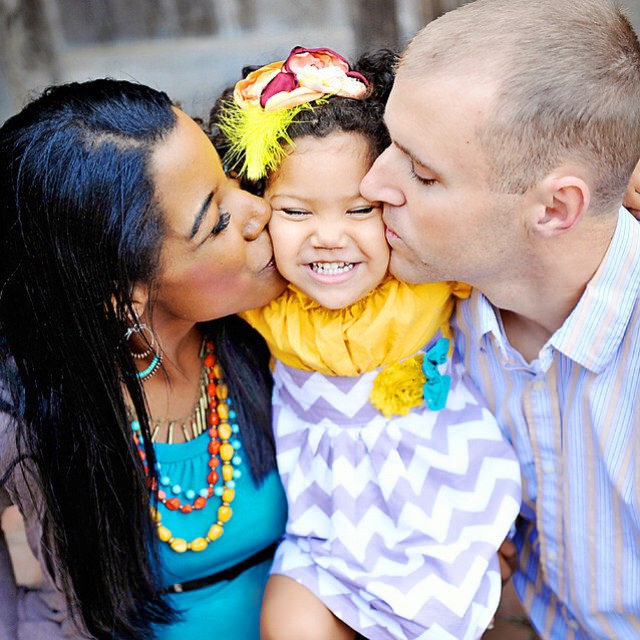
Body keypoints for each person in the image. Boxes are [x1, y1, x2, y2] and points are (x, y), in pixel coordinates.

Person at [210, 46, 521, 640]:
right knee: (286, 622)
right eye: (295, 211)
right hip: (323, 533)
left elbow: (500, 216)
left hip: (442, 522)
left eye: (360, 208)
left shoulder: (428, 276)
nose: (329, 238)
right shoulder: (263, 300)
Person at [360, 0, 640, 638]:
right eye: (388, 145)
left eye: (423, 173)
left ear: (554, 208)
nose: (373, 184)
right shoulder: (417, 313)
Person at [0, 79, 288, 640]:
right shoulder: (23, 408)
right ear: (120, 297)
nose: (258, 208)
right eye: (218, 222)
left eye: (228, 178)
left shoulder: (289, 332)